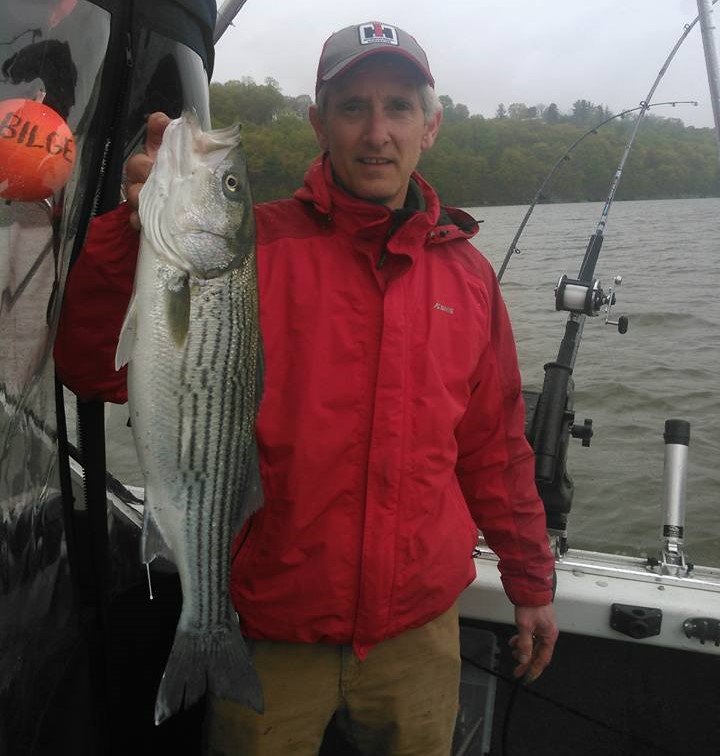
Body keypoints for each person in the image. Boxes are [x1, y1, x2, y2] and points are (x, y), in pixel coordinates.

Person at [55, 21, 558, 756]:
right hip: (270, 628)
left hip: (418, 634)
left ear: (431, 126)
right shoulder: (248, 247)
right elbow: (93, 368)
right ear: (320, 125)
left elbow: (495, 447)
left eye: (398, 107)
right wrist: (134, 231)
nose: (377, 132)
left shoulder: (470, 277)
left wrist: (531, 579)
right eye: (352, 107)